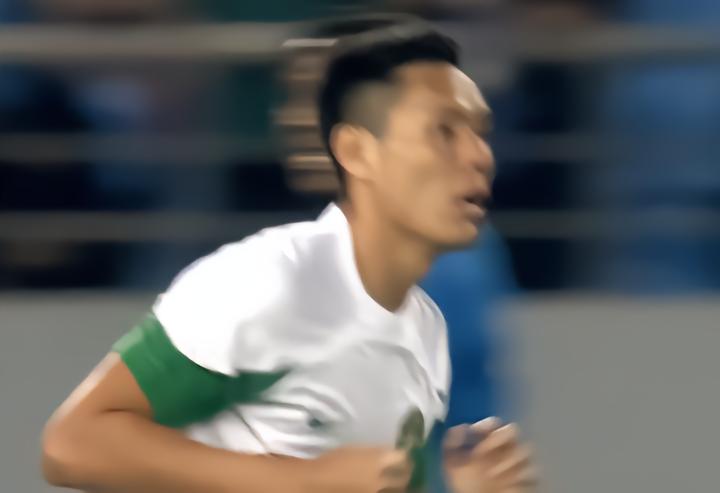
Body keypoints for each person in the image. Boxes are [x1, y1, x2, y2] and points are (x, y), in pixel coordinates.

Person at [41, 20, 537, 493]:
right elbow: (72, 443)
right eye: (443, 131)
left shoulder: (425, 324)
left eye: (477, 132)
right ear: (354, 147)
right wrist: (300, 482)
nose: (479, 156)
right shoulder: (265, 279)